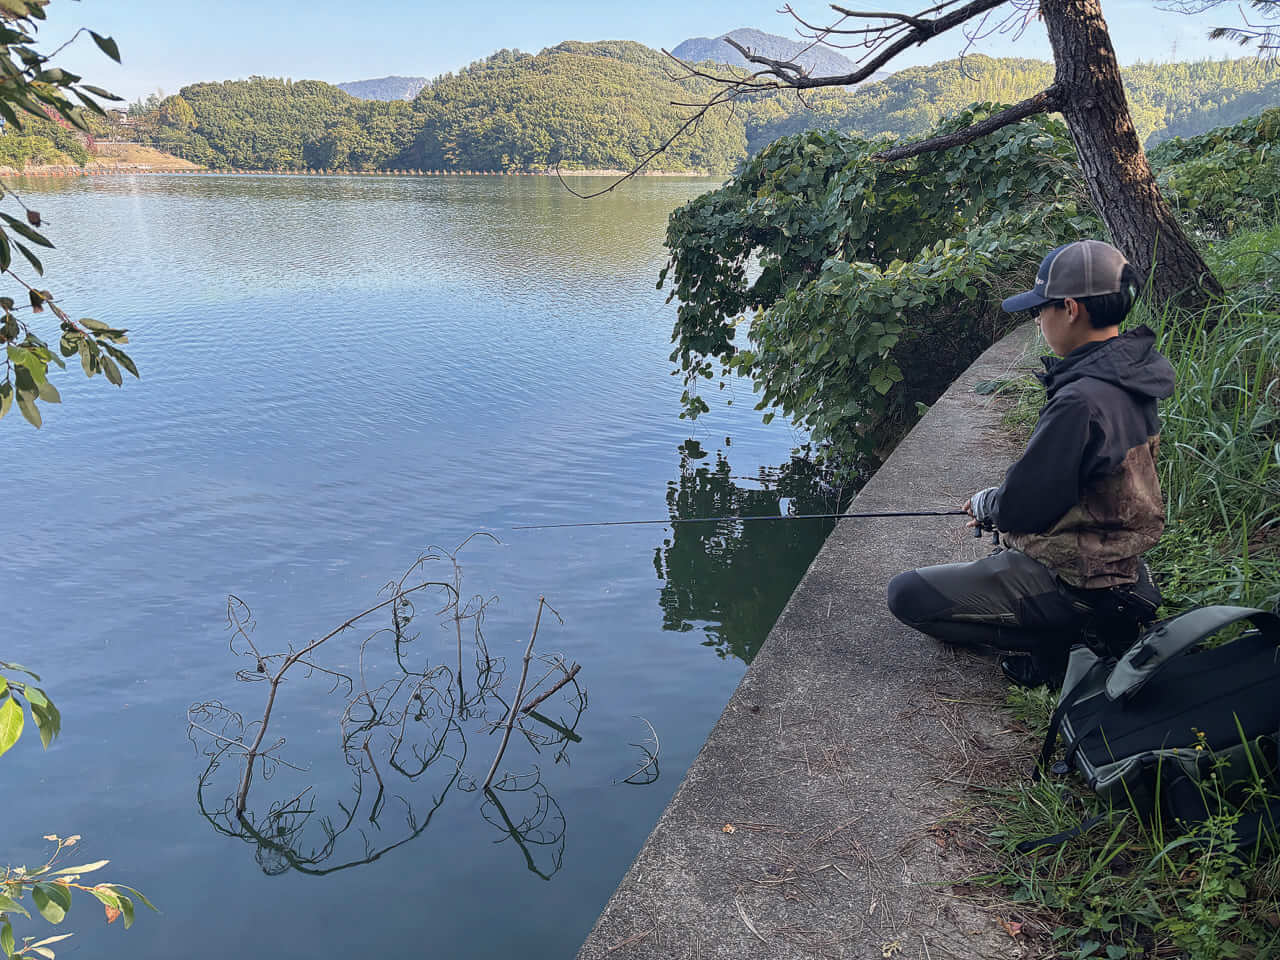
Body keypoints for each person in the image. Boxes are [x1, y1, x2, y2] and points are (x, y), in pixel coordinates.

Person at [886, 239, 1173, 687]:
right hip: (1119, 559)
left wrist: (988, 504)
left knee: (906, 595)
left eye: (1042, 309)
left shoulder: (1080, 400)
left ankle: (1061, 641)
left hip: (1078, 579)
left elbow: (1022, 507)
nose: (1038, 319)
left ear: (1071, 309)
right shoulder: (1132, 372)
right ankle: (1087, 621)